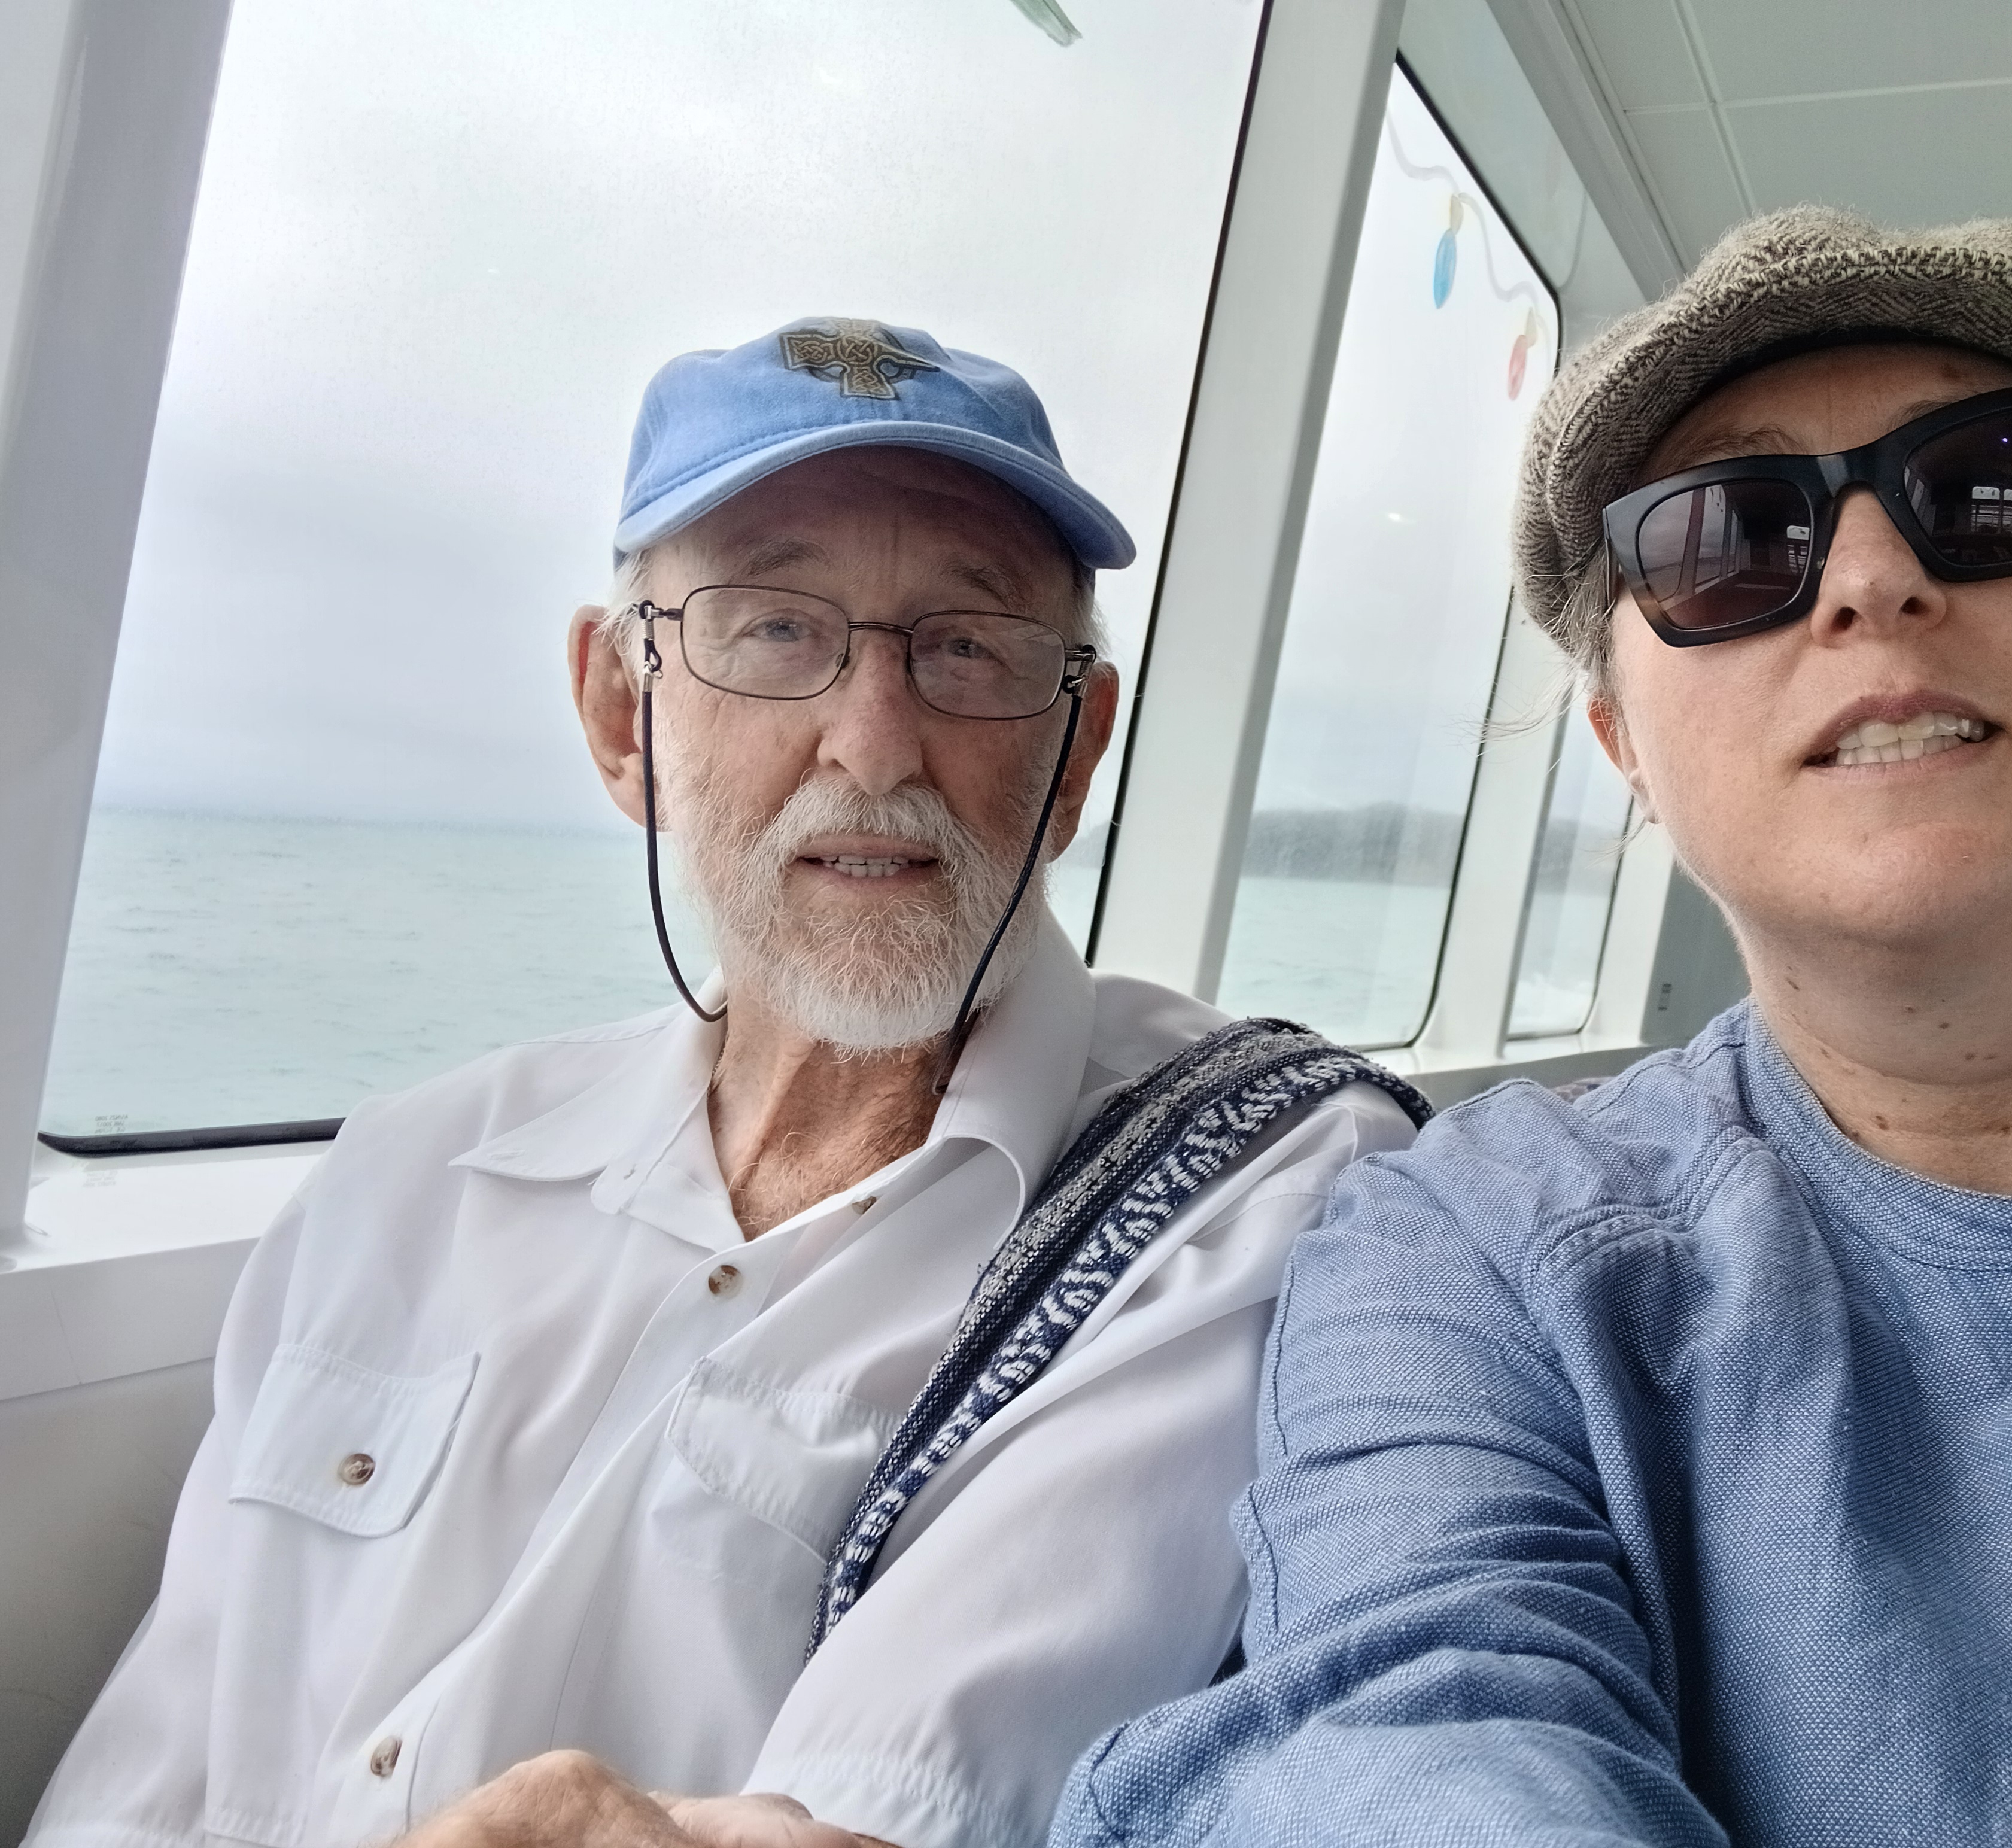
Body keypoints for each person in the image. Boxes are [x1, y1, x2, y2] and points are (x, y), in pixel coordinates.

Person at [1047, 210, 2012, 1845]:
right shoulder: (1483, 1254)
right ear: (1623, 744)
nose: (1871, 579)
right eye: (1724, 538)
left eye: (1994, 490)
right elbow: (1408, 1713)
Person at [28, 318, 1422, 1848]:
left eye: (967, 645)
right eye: (774, 630)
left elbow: (885, 1809)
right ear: (621, 711)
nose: (874, 745)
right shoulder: (406, 1175)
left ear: (1076, 748)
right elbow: (139, 1788)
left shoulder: (1239, 1200)